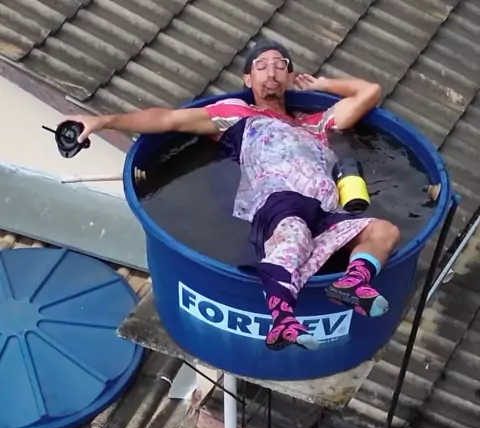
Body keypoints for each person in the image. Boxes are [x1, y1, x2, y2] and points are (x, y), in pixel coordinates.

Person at [66, 39, 400, 352]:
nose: (271, 72)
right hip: (278, 199)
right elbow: (167, 119)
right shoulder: (236, 114)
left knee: (383, 231)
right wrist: (103, 121)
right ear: (248, 79)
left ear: (290, 77)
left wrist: (322, 85)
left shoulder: (317, 124)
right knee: (294, 235)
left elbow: (369, 92)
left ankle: (352, 284)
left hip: (325, 209)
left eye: (280, 66)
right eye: (261, 66)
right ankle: (283, 320)